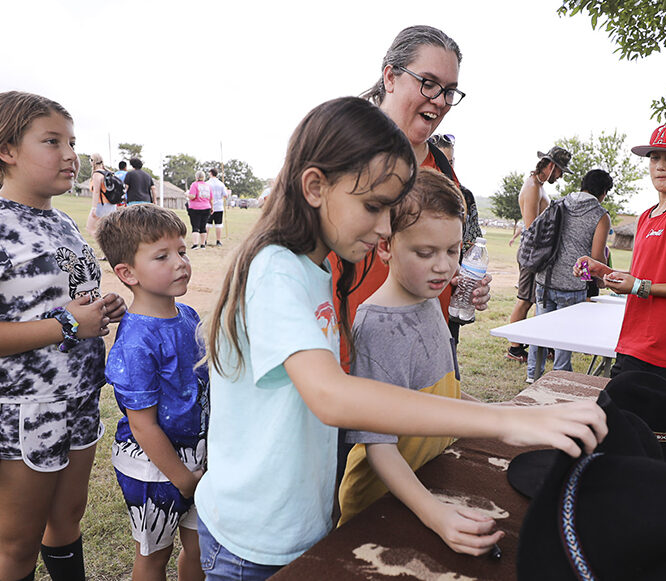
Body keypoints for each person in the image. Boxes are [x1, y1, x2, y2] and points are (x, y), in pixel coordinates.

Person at [193, 97, 606, 580]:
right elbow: (331, 396)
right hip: (253, 541)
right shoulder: (274, 271)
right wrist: (501, 422)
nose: (386, 227)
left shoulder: (316, 267)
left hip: (298, 519)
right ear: (315, 186)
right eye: (373, 206)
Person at [337, 168, 502, 555]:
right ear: (385, 247)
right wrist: (436, 514)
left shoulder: (429, 299)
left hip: (428, 478)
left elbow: (442, 395)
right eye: (425, 253)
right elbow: (378, 447)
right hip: (378, 508)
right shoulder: (377, 326)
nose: (444, 267)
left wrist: (505, 418)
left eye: (452, 250)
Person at [0, 91, 126, 581]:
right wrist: (68, 324)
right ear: (7, 149)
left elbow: (72, 300)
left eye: (71, 142)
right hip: (24, 409)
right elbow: (63, 319)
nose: (70, 155)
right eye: (51, 141)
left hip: (78, 397)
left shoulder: (65, 223)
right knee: (16, 541)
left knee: (67, 518)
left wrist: (100, 309)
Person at [340, 25, 491, 351]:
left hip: (429, 348)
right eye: (428, 84)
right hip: (353, 353)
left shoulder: (446, 172)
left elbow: (447, 254)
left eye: (449, 90)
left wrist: (460, 279)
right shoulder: (342, 153)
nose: (440, 101)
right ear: (390, 78)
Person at [94, 205, 207, 581]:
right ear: (127, 273)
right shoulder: (137, 340)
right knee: (153, 556)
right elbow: (143, 426)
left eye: (182, 251)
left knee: (202, 546)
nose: (180, 263)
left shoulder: (189, 316)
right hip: (153, 470)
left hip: (199, 458)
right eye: (162, 256)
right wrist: (184, 479)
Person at [575, 123, 666, 384]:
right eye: (654, 157)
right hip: (632, 340)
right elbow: (647, 276)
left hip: (659, 350)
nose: (660, 166)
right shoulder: (646, 215)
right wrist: (605, 271)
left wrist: (641, 286)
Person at [526, 169, 612, 383]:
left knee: (540, 330)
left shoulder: (558, 203)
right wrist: (602, 279)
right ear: (603, 192)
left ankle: (532, 375)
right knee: (565, 337)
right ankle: (559, 378)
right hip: (573, 285)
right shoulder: (600, 215)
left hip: (545, 280)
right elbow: (596, 257)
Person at [505, 144, 572, 362]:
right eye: (560, 171)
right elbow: (531, 226)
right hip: (531, 253)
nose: (560, 176)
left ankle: (536, 343)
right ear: (551, 166)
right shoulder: (533, 186)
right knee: (524, 300)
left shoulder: (539, 185)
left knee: (534, 299)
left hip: (538, 253)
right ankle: (514, 348)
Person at [429, 133, 482, 255]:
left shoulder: (465, 196)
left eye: (449, 162)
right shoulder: (414, 194)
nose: (445, 168)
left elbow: (473, 241)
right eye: (440, 162)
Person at [85, 152, 118, 239]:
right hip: (111, 205)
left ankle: (105, 244)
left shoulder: (97, 174)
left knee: (90, 228)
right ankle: (109, 244)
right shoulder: (108, 172)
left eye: (90, 160)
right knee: (107, 230)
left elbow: (96, 192)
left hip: (102, 205)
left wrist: (94, 208)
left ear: (93, 161)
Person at [185, 171, 211, 249]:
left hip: (195, 208)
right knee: (203, 227)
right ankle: (203, 244)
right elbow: (211, 198)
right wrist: (211, 208)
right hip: (206, 207)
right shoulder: (208, 186)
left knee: (195, 226)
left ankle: (195, 244)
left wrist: (187, 194)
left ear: (196, 177)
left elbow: (192, 196)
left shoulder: (194, 185)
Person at [206, 168, 228, 247]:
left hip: (209, 206)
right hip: (219, 206)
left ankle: (205, 240)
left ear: (211, 173)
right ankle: (218, 241)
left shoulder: (207, 183)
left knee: (208, 224)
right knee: (218, 224)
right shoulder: (221, 184)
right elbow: (226, 195)